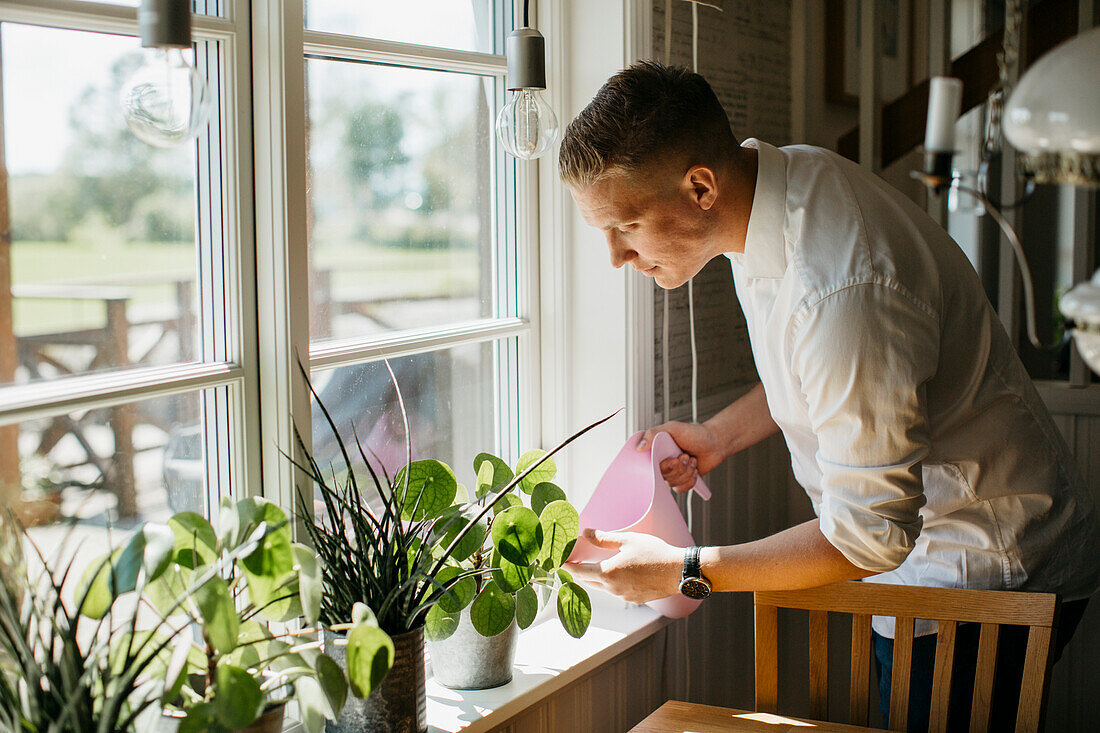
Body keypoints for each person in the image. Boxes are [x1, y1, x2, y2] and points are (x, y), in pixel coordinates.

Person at [559, 61, 1100, 731]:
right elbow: (821, 367)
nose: (615, 255)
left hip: (986, 568)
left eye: (627, 227)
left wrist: (684, 569)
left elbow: (871, 534)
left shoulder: (842, 286)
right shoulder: (775, 189)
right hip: (922, 556)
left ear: (700, 186)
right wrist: (721, 434)